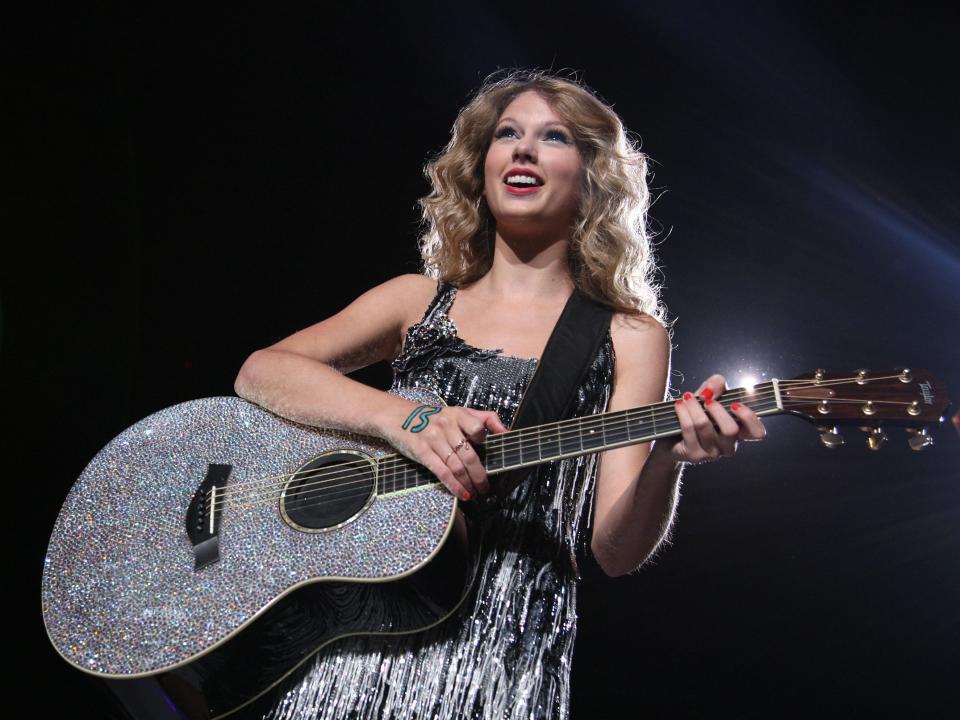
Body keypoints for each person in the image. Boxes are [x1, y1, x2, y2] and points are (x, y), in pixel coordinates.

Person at [234, 69, 766, 720]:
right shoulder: (415, 301)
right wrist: (404, 417)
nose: (522, 149)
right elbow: (261, 372)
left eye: (553, 138)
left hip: (504, 653)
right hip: (364, 633)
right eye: (508, 133)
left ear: (592, 178)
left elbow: (615, 551)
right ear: (480, 167)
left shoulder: (630, 335)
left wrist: (667, 459)